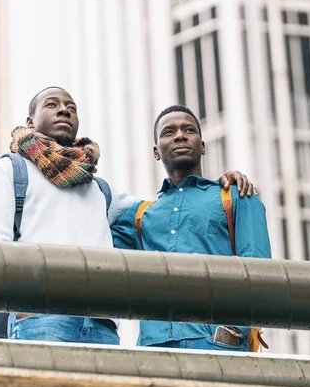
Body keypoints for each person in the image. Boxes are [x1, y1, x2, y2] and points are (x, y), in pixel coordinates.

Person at [0, 87, 256, 345]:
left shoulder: (100, 190)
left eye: (71, 106)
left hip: (101, 327)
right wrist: (0, 333)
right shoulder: (10, 172)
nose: (64, 110)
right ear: (30, 121)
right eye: (52, 104)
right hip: (39, 319)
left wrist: (216, 188)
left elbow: (168, 213)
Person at [111, 105, 271, 352]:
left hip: (218, 345)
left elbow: (259, 270)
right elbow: (91, 234)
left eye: (189, 130)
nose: (180, 136)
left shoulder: (238, 197)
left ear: (203, 146)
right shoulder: (140, 215)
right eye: (168, 132)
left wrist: (232, 332)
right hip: (152, 349)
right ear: (156, 152)